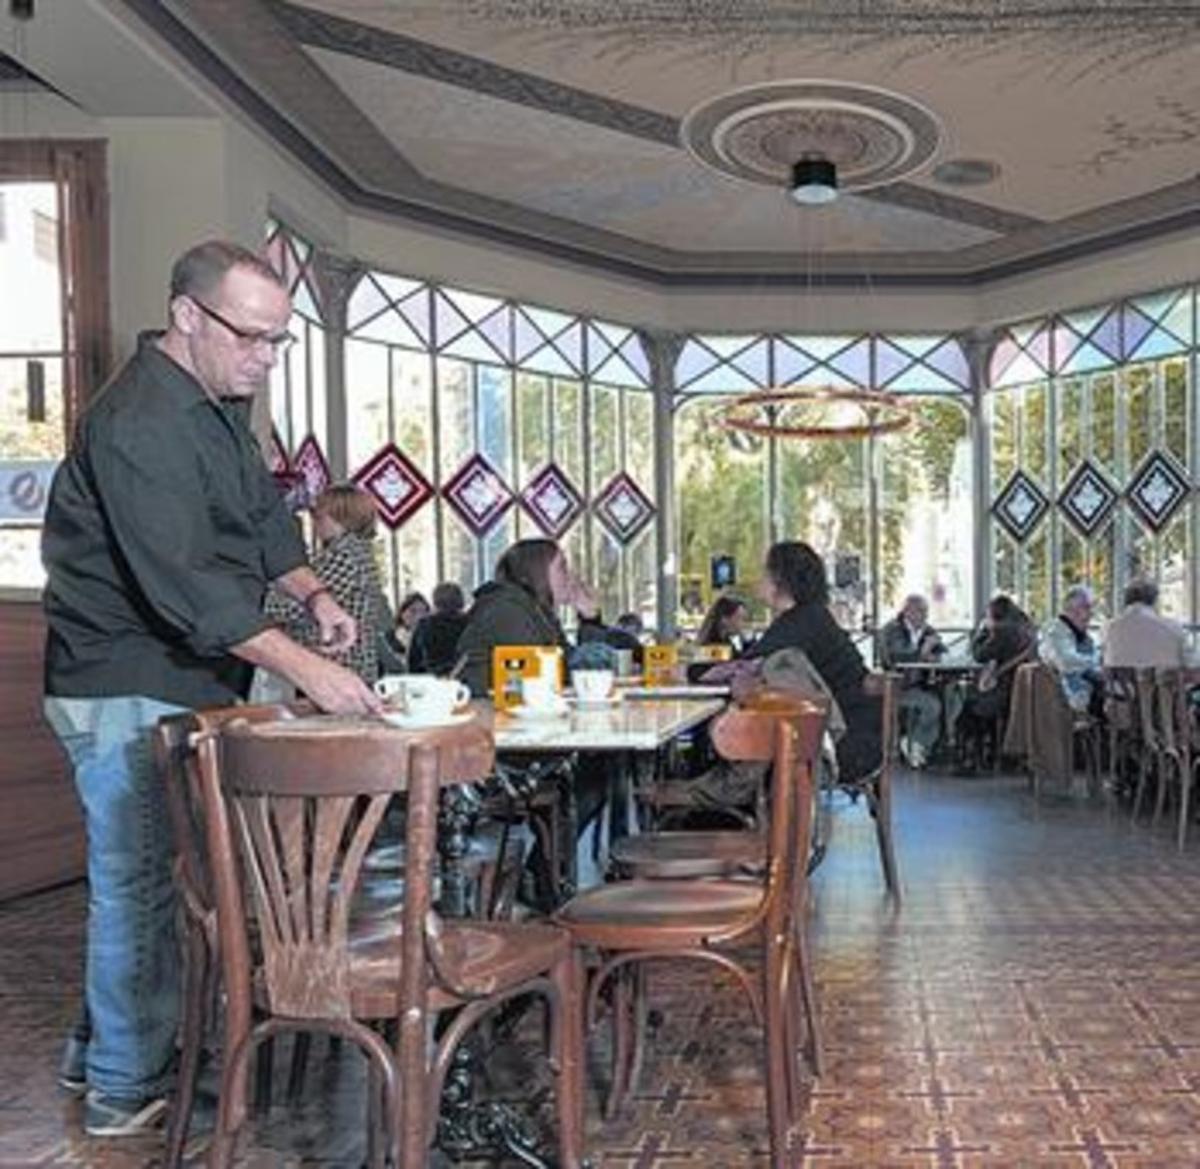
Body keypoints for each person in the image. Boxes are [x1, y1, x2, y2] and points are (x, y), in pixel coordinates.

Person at [40, 240, 380, 1136]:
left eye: (279, 341)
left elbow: (262, 514)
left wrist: (311, 592)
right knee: (140, 882)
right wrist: (311, 670)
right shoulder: (140, 422)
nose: (264, 358)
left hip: (178, 674)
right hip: (122, 676)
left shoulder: (218, 399)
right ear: (187, 316)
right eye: (252, 338)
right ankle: (122, 1083)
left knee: (152, 873)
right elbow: (183, 583)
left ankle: (94, 1050)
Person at [743, 541, 882, 783]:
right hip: (852, 733)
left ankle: (723, 808)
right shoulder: (812, 616)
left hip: (838, 746)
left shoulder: (800, 623)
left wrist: (689, 673)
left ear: (781, 579)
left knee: (744, 737)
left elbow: (747, 665)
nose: (760, 578)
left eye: (765, 571)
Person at [263, 483, 393, 684]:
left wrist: (260, 601)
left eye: (318, 514)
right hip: (349, 665)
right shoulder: (357, 552)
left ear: (341, 517)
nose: (315, 521)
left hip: (338, 665)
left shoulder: (343, 555)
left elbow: (305, 607)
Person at [456, 537, 605, 697]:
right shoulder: (507, 610)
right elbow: (552, 675)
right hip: (483, 710)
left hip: (507, 708)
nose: (571, 576)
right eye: (562, 567)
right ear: (537, 571)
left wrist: (589, 617)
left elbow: (581, 665)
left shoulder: (538, 612)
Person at [957, 595, 1036, 767]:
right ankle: (996, 753)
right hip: (1023, 691)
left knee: (968, 710)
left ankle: (970, 757)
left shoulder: (1002, 631)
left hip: (1003, 691)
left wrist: (982, 632)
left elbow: (980, 655)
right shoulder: (1028, 628)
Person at [878, 594, 946, 768]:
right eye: (921, 611)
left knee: (953, 698)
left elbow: (942, 652)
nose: (925, 615)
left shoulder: (928, 630)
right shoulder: (891, 630)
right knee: (932, 706)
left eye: (926, 611)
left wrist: (936, 656)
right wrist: (922, 653)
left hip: (925, 684)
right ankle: (915, 744)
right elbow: (894, 658)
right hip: (898, 686)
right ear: (907, 611)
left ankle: (918, 745)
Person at [1040, 584, 1102, 713]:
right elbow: (1066, 662)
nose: (1091, 613)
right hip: (1067, 696)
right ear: (1071, 610)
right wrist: (1097, 661)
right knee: (1118, 698)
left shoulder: (1079, 633)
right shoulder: (1055, 632)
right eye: (1087, 607)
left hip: (1082, 689)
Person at [1103, 578, 1189, 669]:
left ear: (1126, 600)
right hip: (1165, 682)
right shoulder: (1173, 627)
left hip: (1122, 682)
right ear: (1154, 600)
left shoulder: (1109, 628)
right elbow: (1191, 666)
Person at [407, 581, 469, 675]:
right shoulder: (469, 624)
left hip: (430, 680)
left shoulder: (425, 625)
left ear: (435, 601)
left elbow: (413, 660)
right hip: (462, 678)